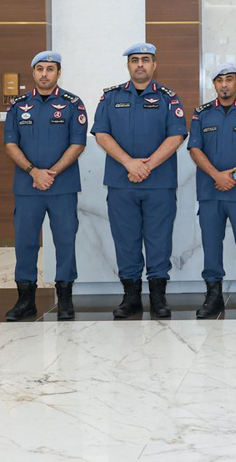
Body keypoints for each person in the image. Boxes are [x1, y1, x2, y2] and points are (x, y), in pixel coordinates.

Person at [91, 43, 187, 319]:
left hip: (159, 184)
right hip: (122, 183)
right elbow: (101, 134)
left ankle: (158, 298)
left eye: (145, 60)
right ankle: (131, 297)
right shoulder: (111, 97)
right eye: (135, 60)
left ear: (154, 65)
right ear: (128, 65)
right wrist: (129, 163)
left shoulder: (170, 98)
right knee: (126, 240)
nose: (140, 64)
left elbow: (177, 136)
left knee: (159, 241)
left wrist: (147, 166)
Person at [2, 51, 87, 321]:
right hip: (28, 188)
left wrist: (51, 173)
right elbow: (10, 144)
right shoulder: (18, 105)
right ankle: (25, 300)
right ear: (33, 72)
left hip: (62, 187)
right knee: (25, 243)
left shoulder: (73, 103)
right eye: (39, 68)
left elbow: (78, 143)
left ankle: (64, 300)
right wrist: (33, 172)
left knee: (65, 242)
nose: (44, 74)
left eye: (50, 69)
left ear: (58, 73)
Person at [188, 62, 236, 319]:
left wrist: (233, 175)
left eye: (229, 79)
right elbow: (195, 149)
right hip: (210, 191)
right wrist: (216, 175)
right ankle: (214, 297)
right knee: (211, 245)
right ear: (214, 84)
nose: (224, 84)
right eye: (219, 80)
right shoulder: (201, 114)